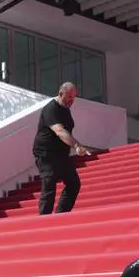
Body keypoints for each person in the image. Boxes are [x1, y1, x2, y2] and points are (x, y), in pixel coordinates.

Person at [31, 82, 99, 216]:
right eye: (69, 98)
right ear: (61, 94)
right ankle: (43, 223)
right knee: (49, 187)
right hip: (46, 154)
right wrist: (77, 145)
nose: (71, 101)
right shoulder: (51, 109)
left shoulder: (66, 109)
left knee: (73, 183)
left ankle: (61, 215)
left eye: (73, 98)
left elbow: (67, 132)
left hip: (61, 154)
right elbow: (59, 131)